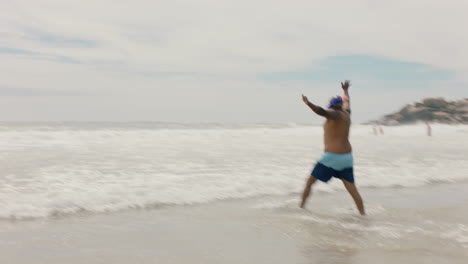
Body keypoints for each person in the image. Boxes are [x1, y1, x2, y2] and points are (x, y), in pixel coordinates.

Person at [300, 80, 365, 215]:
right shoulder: (346, 113)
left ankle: (300, 208)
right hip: (347, 158)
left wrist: (308, 103)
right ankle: (363, 216)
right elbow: (347, 101)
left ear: (333, 106)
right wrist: (345, 91)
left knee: (310, 182)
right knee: (353, 190)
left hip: (332, 157)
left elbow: (321, 111)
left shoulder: (334, 115)